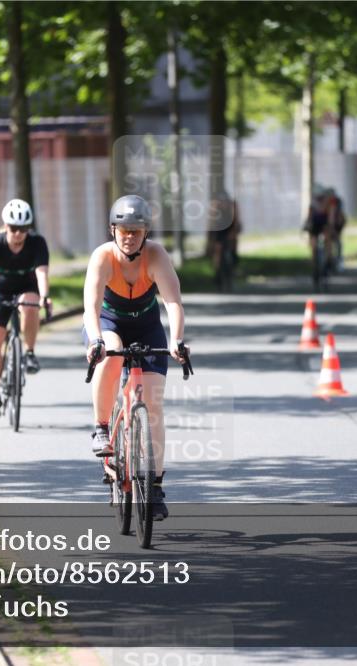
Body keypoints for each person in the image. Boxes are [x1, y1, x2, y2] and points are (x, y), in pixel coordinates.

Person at [83, 195, 187, 521]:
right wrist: (96, 340)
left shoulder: (156, 256)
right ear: (113, 230)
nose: (130, 236)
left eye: (137, 231)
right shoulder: (102, 258)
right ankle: (102, 427)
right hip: (108, 323)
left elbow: (173, 303)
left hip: (146, 325)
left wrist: (178, 340)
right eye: (124, 230)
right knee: (112, 357)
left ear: (146, 233)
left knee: (153, 403)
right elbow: (91, 306)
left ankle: (154, 484)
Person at [0, 198, 51, 418]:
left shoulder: (37, 243)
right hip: (0, 291)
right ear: (6, 226)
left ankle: (29, 352)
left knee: (30, 305)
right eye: (13, 228)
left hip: (26, 287)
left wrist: (45, 296)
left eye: (23, 229)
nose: (18, 234)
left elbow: (41, 272)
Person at [209, 190, 242, 289]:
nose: (223, 203)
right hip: (219, 229)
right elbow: (211, 222)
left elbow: (236, 220)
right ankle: (218, 271)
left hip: (230, 228)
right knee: (218, 250)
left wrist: (233, 234)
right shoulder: (215, 206)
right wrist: (211, 238)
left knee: (233, 246)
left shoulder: (233, 205)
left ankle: (233, 266)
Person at [304, 186, 336, 285]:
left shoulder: (329, 204)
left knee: (328, 239)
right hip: (315, 225)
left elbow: (331, 218)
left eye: (321, 197)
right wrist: (306, 226)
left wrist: (331, 227)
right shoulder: (312, 204)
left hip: (324, 224)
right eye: (318, 197)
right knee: (313, 245)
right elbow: (309, 218)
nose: (319, 199)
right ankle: (314, 265)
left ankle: (328, 260)